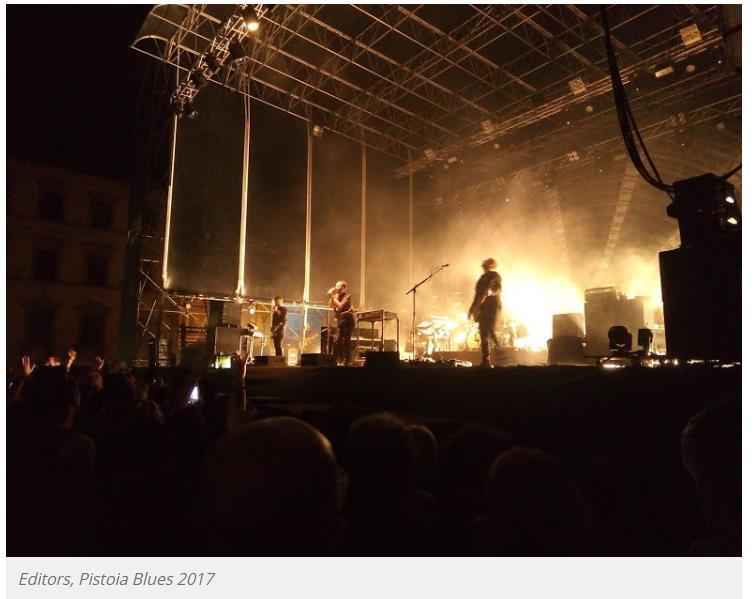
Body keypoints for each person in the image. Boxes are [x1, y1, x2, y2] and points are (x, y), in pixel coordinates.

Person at [468, 258, 502, 368]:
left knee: (490, 330)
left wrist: (491, 291)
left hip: (492, 307)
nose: (484, 266)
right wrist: (472, 308)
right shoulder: (481, 279)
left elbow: (498, 289)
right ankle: (486, 360)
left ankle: (502, 353)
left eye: (486, 264)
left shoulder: (495, 275)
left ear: (491, 266)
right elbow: (477, 295)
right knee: (483, 333)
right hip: (482, 309)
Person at [328, 280, 355, 366]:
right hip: (341, 322)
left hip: (348, 321)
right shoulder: (336, 295)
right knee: (338, 340)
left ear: (343, 288)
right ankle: (340, 359)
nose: (336, 287)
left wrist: (333, 296)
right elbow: (331, 305)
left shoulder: (347, 296)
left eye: (338, 286)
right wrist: (332, 296)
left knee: (346, 341)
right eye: (335, 285)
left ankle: (347, 360)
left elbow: (340, 306)